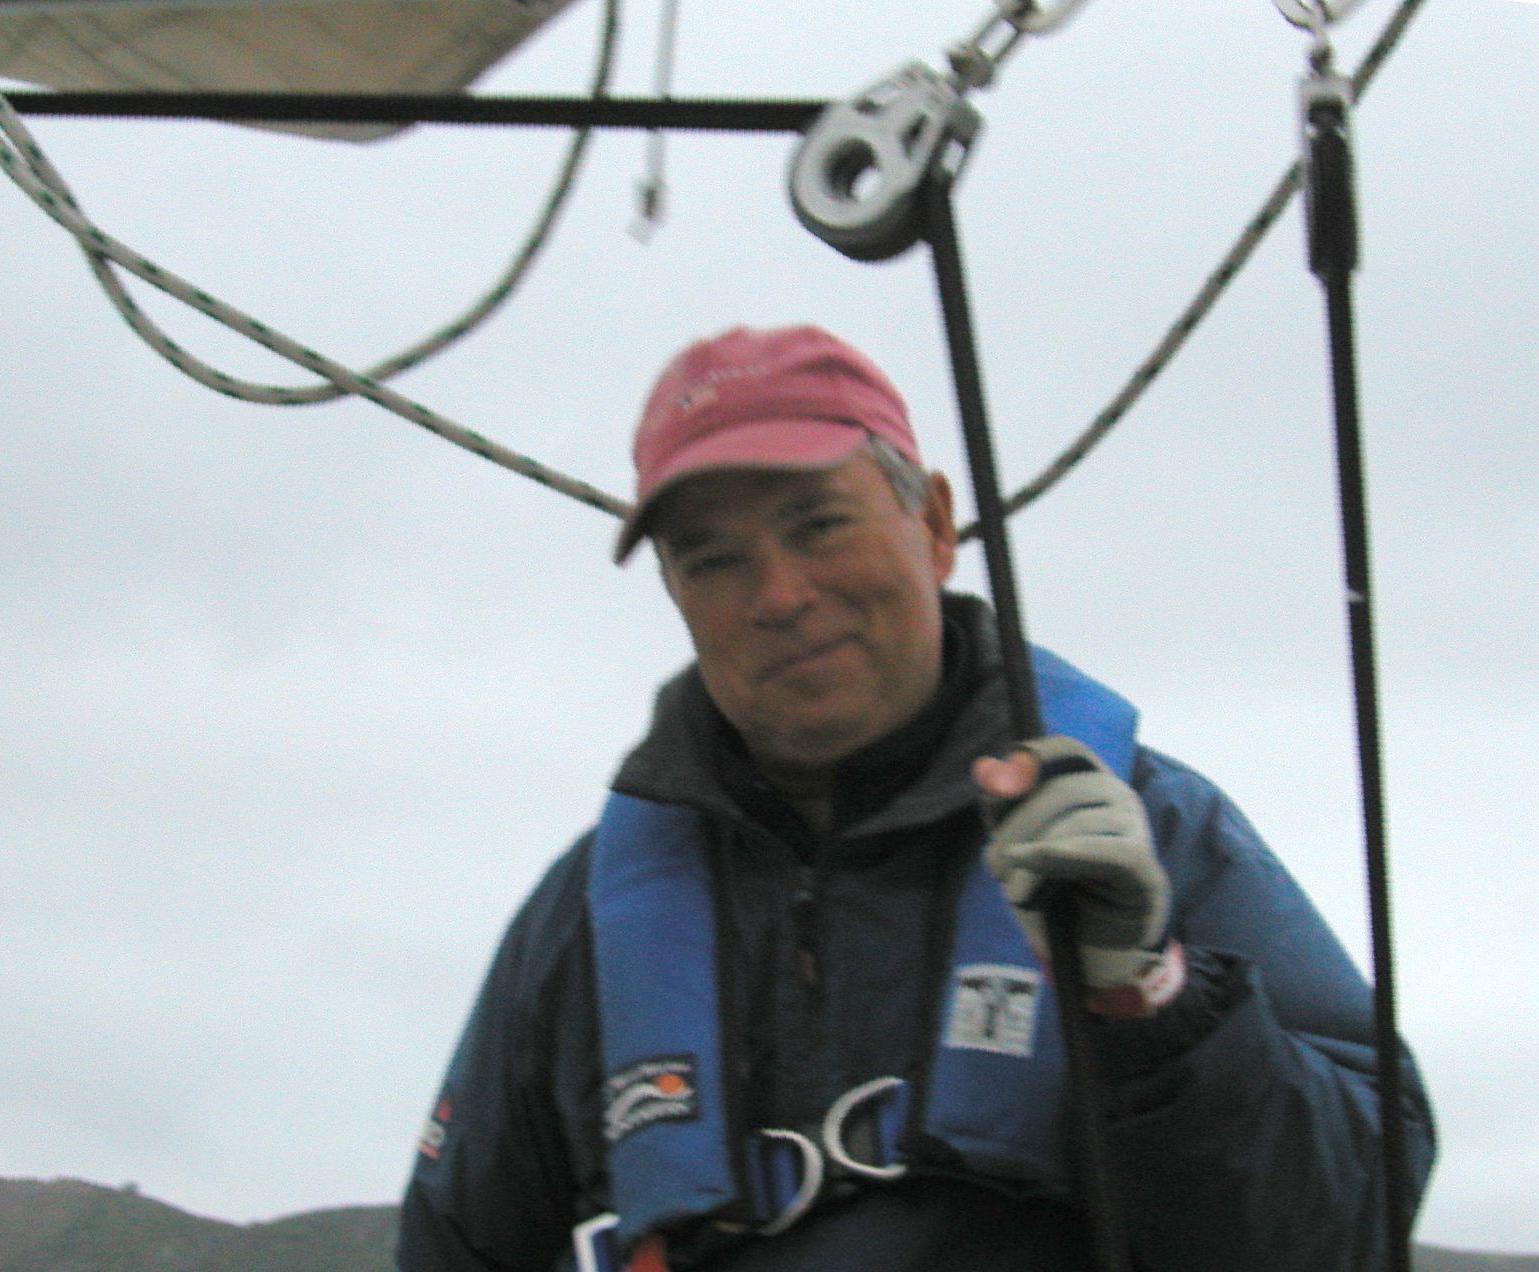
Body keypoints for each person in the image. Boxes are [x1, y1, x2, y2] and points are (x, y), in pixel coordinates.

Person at [397, 324, 1435, 1272]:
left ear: (933, 523)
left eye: (817, 525)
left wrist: (1147, 994)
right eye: (713, 561)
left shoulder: (1146, 832)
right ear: (675, 595)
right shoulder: (584, 920)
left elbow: (1351, 1227)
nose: (779, 596)